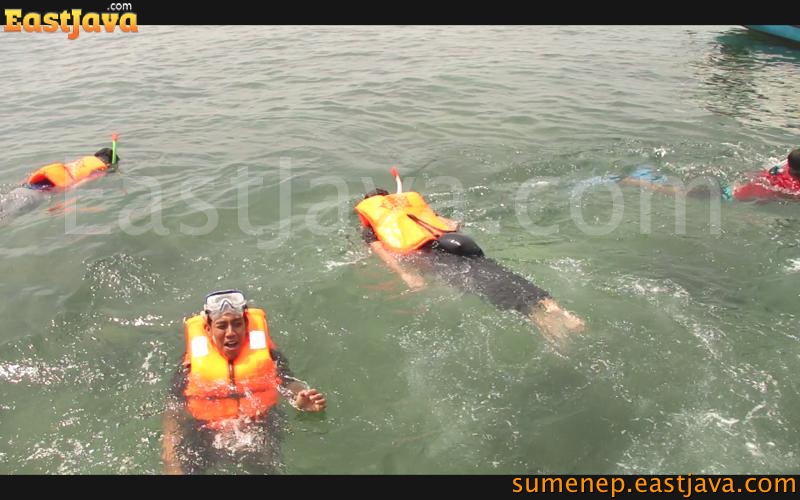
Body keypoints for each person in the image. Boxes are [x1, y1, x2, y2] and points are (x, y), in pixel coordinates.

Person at [354, 169, 585, 346]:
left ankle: (544, 324)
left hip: (435, 255)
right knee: (497, 272)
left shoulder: (373, 227)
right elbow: (453, 224)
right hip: (458, 242)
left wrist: (406, 274)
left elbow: (383, 252)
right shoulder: (413, 209)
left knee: (486, 285)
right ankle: (556, 308)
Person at [161, 289, 326, 474]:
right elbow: (173, 410)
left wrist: (300, 399)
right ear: (208, 329)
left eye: (237, 324)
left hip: (259, 426)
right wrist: (171, 460)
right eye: (222, 326)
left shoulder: (270, 355)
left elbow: (288, 382)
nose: (230, 333)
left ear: (246, 325)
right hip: (205, 432)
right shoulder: (189, 367)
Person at [0, 135, 120, 223]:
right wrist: (62, 205)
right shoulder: (98, 170)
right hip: (39, 194)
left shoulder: (80, 162)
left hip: (26, 187)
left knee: (5, 204)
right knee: (7, 217)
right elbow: (76, 186)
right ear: (108, 164)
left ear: (96, 155)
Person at [620, 148, 800, 202]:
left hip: (738, 182)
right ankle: (635, 181)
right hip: (729, 196)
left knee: (686, 182)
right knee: (683, 193)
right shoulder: (792, 187)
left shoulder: (784, 165)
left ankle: (649, 174)